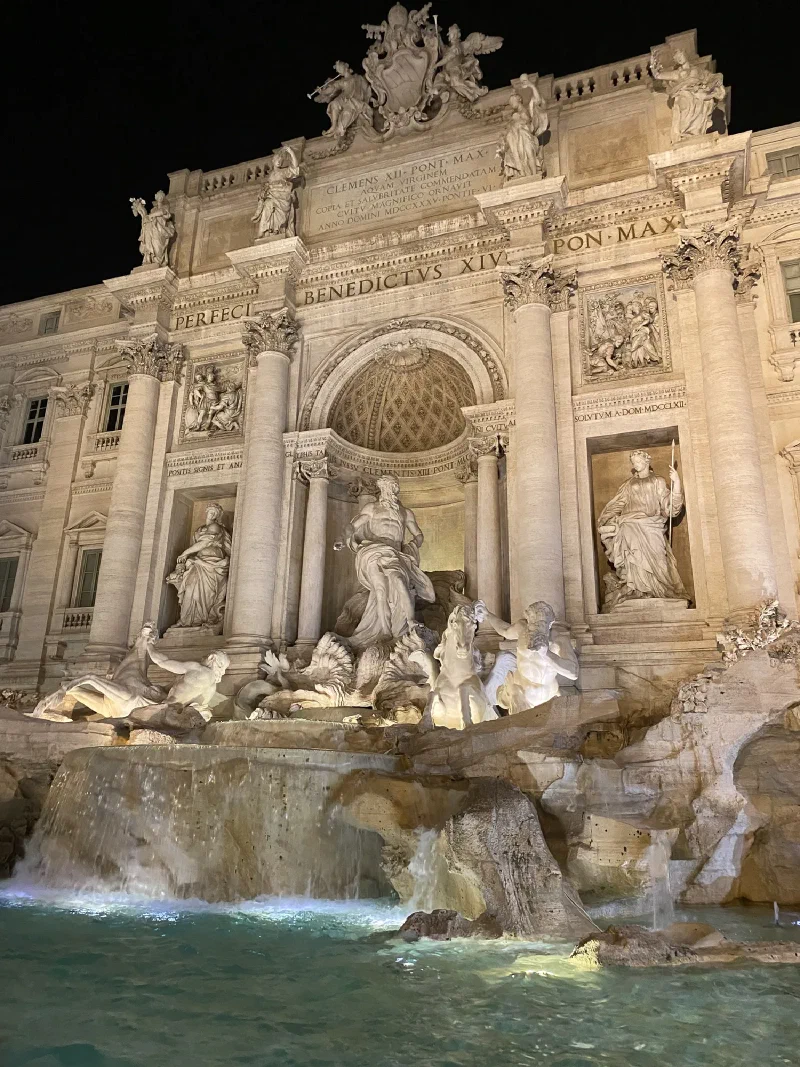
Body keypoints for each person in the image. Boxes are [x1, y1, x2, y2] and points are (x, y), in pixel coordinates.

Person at [334, 474, 434, 650]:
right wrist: (342, 538)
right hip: (373, 551)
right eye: (388, 486)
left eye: (394, 487)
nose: (392, 490)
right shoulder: (372, 508)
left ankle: (411, 621)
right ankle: (386, 631)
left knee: (398, 580)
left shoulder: (405, 512)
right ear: (382, 488)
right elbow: (353, 526)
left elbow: (418, 534)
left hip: (394, 553)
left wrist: (413, 545)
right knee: (380, 590)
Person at [597, 449, 687, 611]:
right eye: (634, 463)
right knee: (633, 557)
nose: (636, 465)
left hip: (652, 526)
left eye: (639, 461)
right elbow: (618, 504)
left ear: (647, 461)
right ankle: (636, 589)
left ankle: (659, 589)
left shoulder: (658, 481)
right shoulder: (628, 484)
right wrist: (607, 519)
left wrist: (677, 484)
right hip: (629, 524)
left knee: (659, 558)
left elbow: (670, 507)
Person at [480, 601, 579, 714]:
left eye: (540, 624)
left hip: (547, 696)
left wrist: (546, 654)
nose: (535, 628)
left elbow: (573, 672)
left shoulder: (559, 640)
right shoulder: (522, 629)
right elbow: (504, 630)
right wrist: (487, 614)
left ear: (549, 624)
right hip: (519, 693)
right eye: (532, 624)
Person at [167, 503, 231, 629]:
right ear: (206, 512)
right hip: (198, 562)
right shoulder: (200, 529)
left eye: (215, 513)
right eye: (210, 511)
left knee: (206, 594)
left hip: (212, 564)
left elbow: (205, 543)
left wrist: (185, 553)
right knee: (190, 588)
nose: (212, 514)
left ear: (217, 516)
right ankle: (186, 620)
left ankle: (202, 620)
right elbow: (198, 546)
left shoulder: (215, 527)